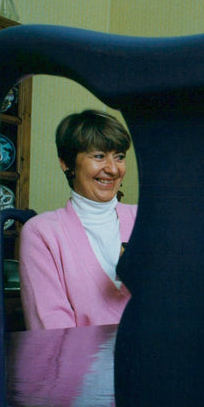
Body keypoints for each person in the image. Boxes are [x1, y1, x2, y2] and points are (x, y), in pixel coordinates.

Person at [19, 109, 137, 329]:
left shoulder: (145, 218)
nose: (112, 169)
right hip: (82, 362)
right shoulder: (41, 233)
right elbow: (52, 331)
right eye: (99, 156)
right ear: (66, 163)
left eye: (119, 156)